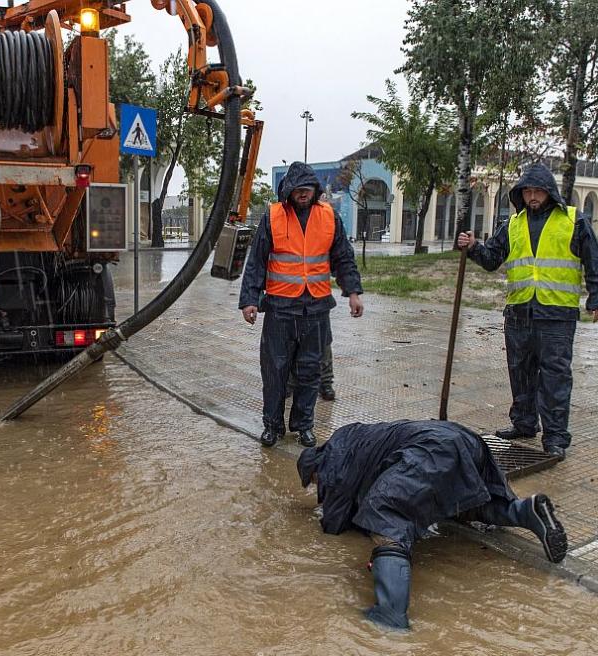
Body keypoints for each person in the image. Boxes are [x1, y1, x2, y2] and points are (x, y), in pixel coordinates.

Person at [297, 419, 568, 630]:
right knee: (470, 504)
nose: (318, 487)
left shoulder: (332, 458)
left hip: (430, 451)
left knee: (383, 511)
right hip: (463, 440)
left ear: (315, 468)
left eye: (314, 481)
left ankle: (389, 614)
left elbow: (335, 522)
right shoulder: (353, 437)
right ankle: (527, 511)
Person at [457, 163, 598, 461]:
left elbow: (594, 260)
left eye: (537, 190)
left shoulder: (572, 220)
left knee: (555, 376)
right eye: (526, 191)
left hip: (557, 314)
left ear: (549, 192)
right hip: (519, 311)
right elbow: (492, 259)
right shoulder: (513, 224)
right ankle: (525, 423)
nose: (532, 196)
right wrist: (475, 247)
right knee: (521, 371)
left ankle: (555, 437)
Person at [239, 162, 363, 448]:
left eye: (307, 188)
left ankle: (303, 426)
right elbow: (257, 261)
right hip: (281, 308)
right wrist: (249, 300)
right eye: (297, 189)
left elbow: (343, 258)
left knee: (310, 371)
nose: (303, 193)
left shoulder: (329, 217)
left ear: (315, 189)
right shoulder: (273, 216)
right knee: (274, 371)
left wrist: (353, 291)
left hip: (316, 308)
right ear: (288, 191)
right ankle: (272, 426)